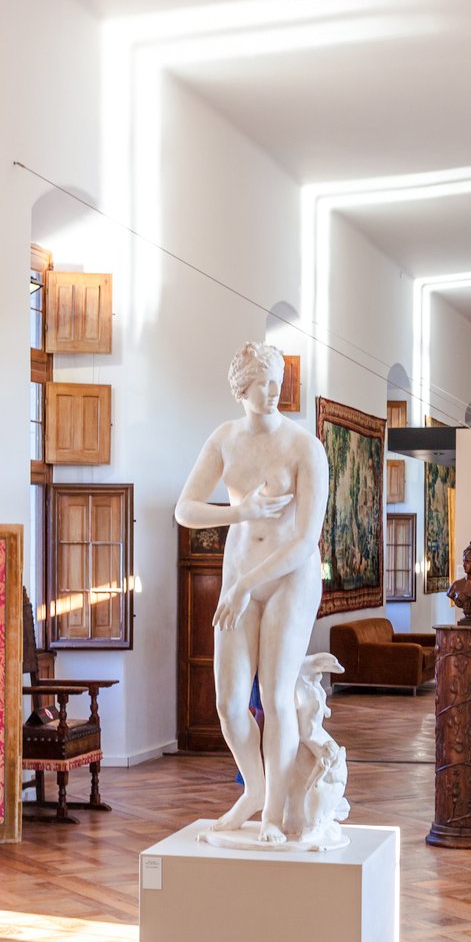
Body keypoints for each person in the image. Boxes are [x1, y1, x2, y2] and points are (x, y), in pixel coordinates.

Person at [174, 343, 331, 842]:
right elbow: (185, 509)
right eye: (262, 382)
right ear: (241, 389)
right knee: (228, 703)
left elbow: (306, 540)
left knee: (276, 696)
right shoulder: (225, 440)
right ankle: (256, 789)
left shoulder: (305, 447)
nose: (272, 391)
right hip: (239, 576)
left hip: (289, 578)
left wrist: (243, 585)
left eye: (277, 381)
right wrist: (240, 512)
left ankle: (274, 814)